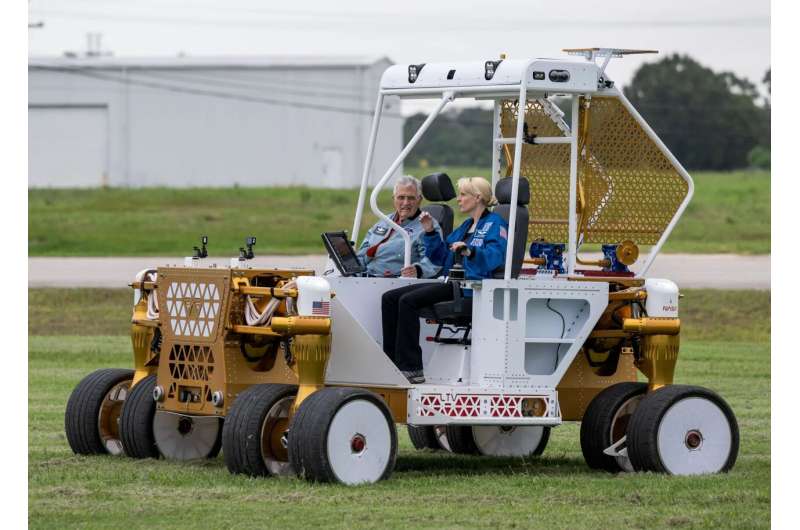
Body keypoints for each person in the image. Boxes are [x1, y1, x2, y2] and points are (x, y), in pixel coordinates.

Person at [381, 177, 508, 383]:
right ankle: (391, 361)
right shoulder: (466, 226)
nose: (459, 199)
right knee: (390, 298)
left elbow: (495, 256)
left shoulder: (495, 224)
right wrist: (430, 231)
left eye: (463, 195)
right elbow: (442, 258)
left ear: (477, 198)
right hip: (452, 282)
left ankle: (412, 368)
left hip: (470, 288)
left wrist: (469, 251)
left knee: (408, 301)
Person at [356, 175, 442, 278]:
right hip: (365, 277)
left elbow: (435, 260)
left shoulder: (428, 225)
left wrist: (417, 270)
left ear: (419, 200)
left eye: (411, 198)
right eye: (401, 197)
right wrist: (352, 266)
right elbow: (363, 251)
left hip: (394, 281)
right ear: (394, 199)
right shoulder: (384, 221)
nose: (405, 203)